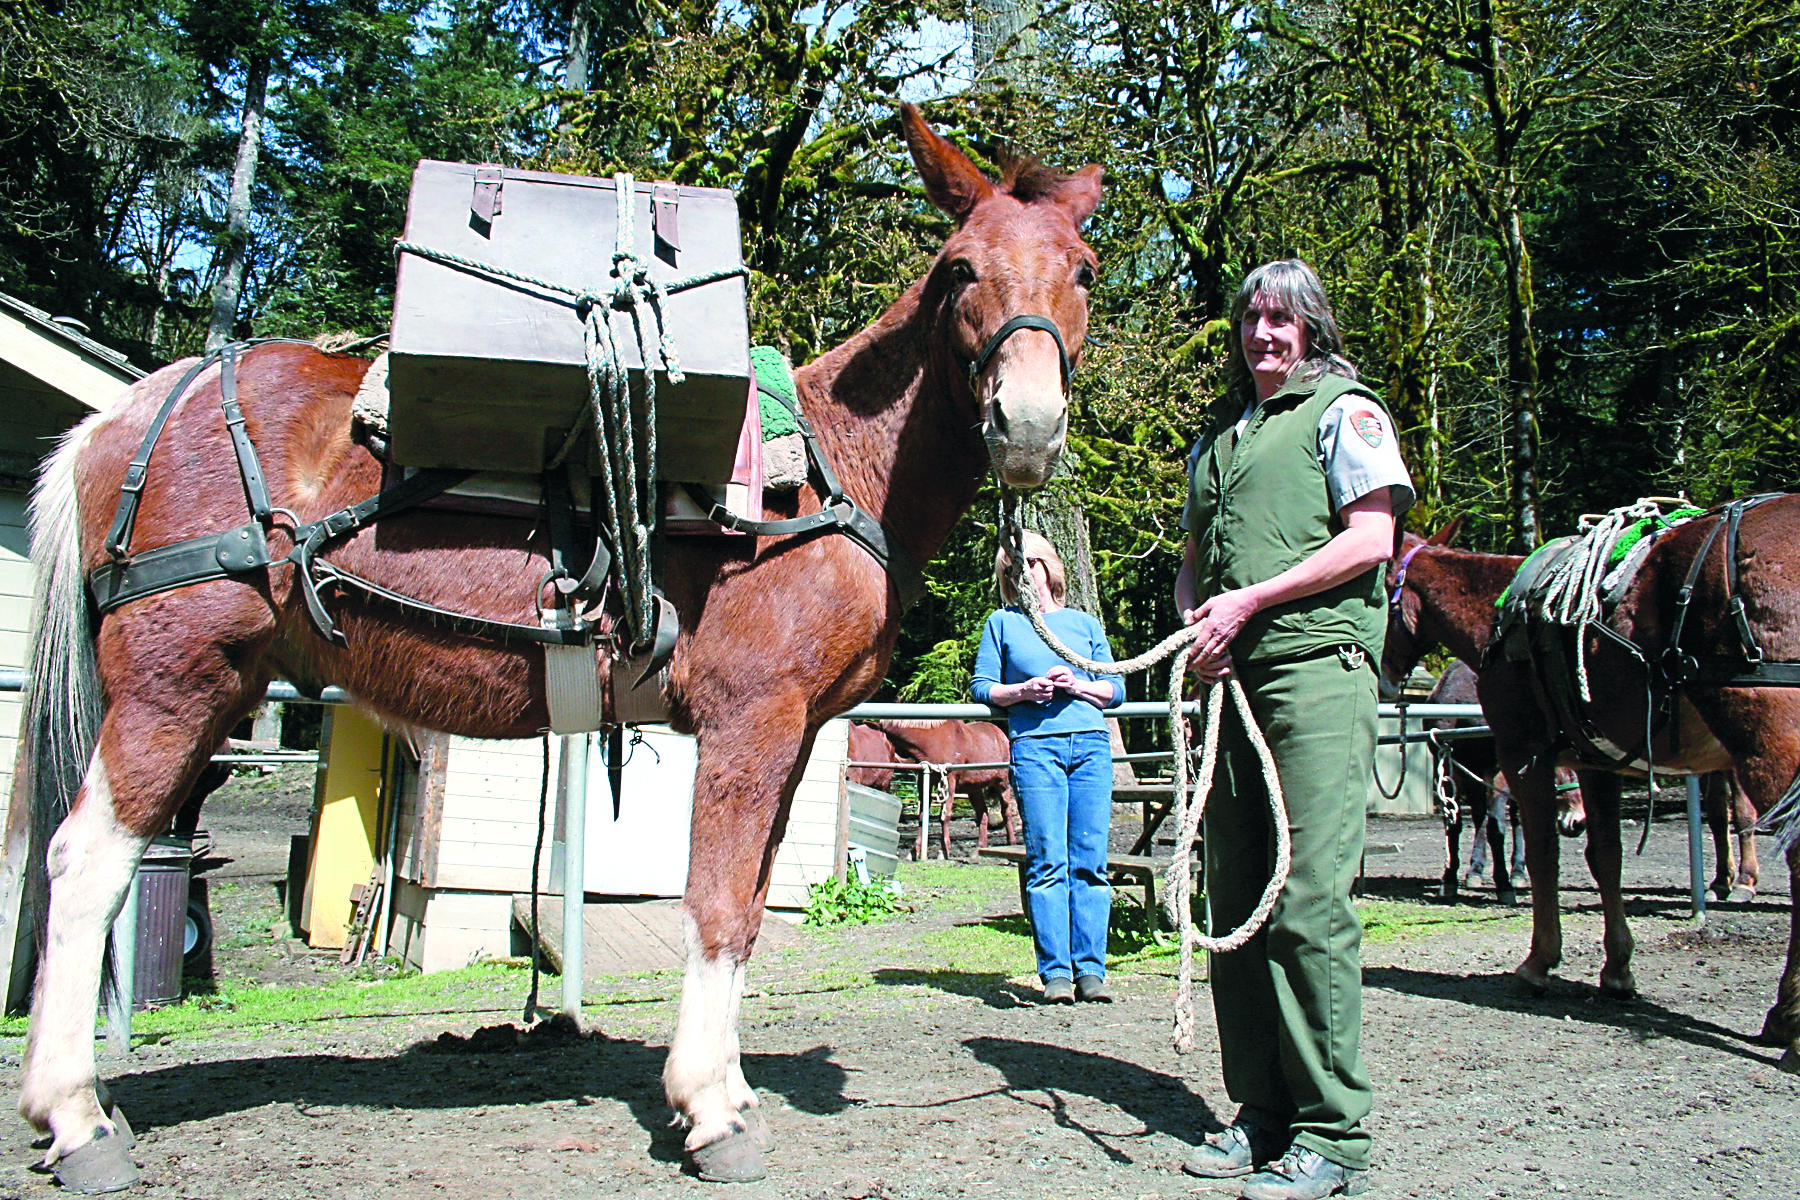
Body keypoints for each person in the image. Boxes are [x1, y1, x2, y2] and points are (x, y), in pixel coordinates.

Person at [1175, 259, 1413, 1200]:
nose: (1265, 337)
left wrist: (1253, 602)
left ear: (1310, 327)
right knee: (1237, 899)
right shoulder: (1220, 442)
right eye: (1252, 322)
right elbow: (1196, 565)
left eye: (1283, 322)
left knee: (1309, 902)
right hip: (1235, 681)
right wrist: (1204, 621)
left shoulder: (1344, 414)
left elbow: (1370, 540)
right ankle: (1262, 1114)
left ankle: (1333, 1136)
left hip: (1317, 672)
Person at [970, 531, 1124, 1005]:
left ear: (1049, 567)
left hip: (1092, 747)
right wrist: (1022, 692)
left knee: (1090, 860)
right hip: (1036, 748)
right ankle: (1056, 973)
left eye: (1031, 562)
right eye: (1013, 567)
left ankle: (1092, 971)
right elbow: (982, 687)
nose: (1024, 572)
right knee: (1046, 859)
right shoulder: (1002, 623)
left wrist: (1076, 684)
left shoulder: (1084, 624)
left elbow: (1115, 691)